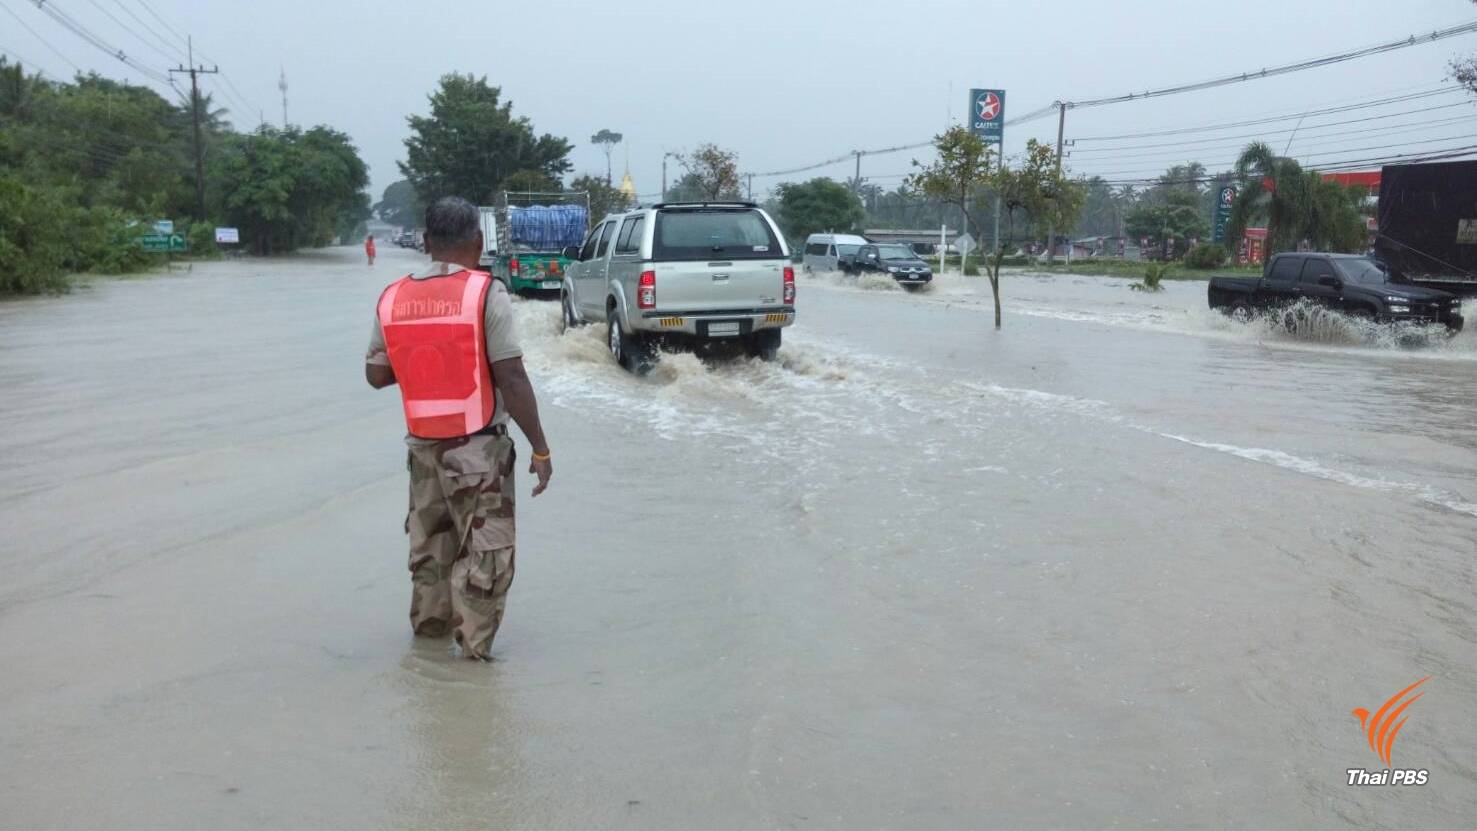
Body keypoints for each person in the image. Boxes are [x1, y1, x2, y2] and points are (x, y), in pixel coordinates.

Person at [365, 197, 553, 660]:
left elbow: (375, 375)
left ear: (426, 243)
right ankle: (472, 666)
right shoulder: (486, 292)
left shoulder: (392, 296)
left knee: (431, 550)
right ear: (479, 242)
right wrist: (541, 450)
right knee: (485, 555)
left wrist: (423, 355)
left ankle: (428, 654)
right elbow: (510, 375)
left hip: (423, 451)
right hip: (478, 450)